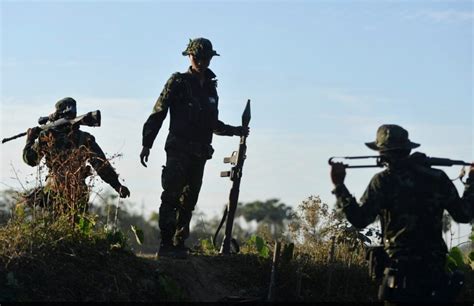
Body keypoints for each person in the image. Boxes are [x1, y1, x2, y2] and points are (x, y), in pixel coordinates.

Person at [330, 124, 473, 305]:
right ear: (407, 149)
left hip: (399, 275)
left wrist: (339, 186)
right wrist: (471, 183)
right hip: (434, 275)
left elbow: (360, 219)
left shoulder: (383, 181)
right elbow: (464, 214)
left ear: (383, 152)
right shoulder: (437, 178)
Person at [140, 38, 249, 258]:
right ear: (189, 57)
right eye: (197, 57)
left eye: (206, 58)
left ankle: (179, 243)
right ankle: (166, 245)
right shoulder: (178, 82)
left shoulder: (210, 87)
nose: (201, 61)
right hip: (178, 148)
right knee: (171, 196)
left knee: (189, 200)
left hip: (200, 152)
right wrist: (147, 143)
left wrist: (235, 130)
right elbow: (158, 112)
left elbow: (212, 124)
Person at [23, 97, 130, 215]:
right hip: (78, 193)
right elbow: (101, 165)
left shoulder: (48, 136)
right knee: (77, 228)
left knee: (55, 229)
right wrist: (117, 185)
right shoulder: (85, 138)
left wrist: (30, 139)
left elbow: (31, 159)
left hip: (55, 192)